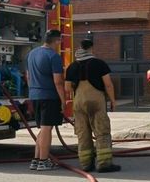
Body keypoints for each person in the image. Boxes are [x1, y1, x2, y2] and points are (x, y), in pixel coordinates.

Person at [64, 40, 121, 173]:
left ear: (80, 48)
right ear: (91, 48)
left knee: (83, 133)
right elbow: (108, 84)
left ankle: (85, 164)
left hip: (79, 101)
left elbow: (67, 88)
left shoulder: (72, 66)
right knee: (102, 131)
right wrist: (113, 100)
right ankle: (104, 164)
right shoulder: (99, 63)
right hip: (96, 100)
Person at [26, 29, 66, 171]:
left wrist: (33, 91)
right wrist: (63, 100)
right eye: (60, 40)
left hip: (35, 95)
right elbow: (58, 82)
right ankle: (44, 160)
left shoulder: (31, 54)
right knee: (47, 129)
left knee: (43, 129)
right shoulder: (54, 56)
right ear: (56, 41)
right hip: (49, 96)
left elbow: (28, 76)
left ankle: (36, 160)